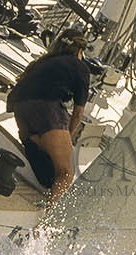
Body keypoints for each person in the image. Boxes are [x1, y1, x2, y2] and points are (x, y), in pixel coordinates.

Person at [6, 29, 92, 205]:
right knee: (66, 173)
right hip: (47, 110)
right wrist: (68, 137)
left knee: (48, 157)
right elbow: (78, 113)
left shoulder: (44, 62)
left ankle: (39, 145)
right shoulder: (80, 67)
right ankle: (48, 216)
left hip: (20, 109)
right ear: (79, 51)